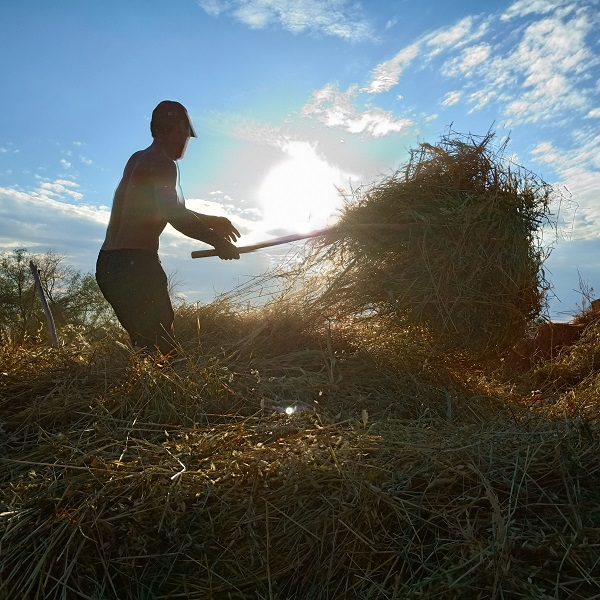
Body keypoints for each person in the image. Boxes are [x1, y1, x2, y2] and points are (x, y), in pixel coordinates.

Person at [96, 100, 240, 356]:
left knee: (146, 348)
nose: (186, 141)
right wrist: (217, 241)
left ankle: (142, 393)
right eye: (186, 133)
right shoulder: (163, 163)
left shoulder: (138, 159)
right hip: (135, 265)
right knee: (164, 350)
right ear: (177, 130)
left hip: (109, 266)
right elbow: (173, 213)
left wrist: (213, 220)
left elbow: (162, 207)